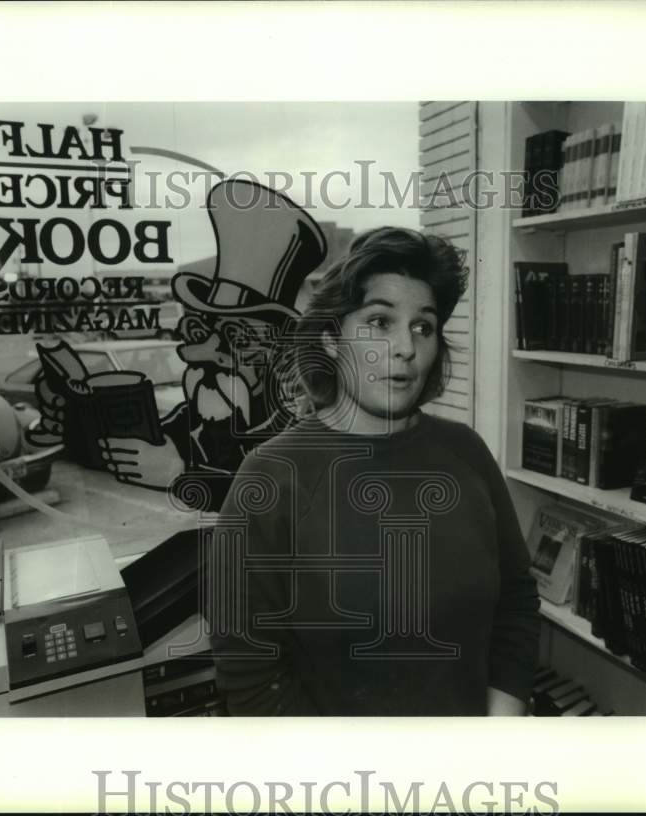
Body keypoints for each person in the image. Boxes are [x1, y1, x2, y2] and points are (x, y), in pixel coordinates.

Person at [206, 226, 541, 716]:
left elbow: (515, 601)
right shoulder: (270, 477)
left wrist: (498, 732)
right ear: (331, 339)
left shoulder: (466, 452)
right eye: (380, 322)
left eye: (422, 327)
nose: (405, 347)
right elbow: (251, 673)